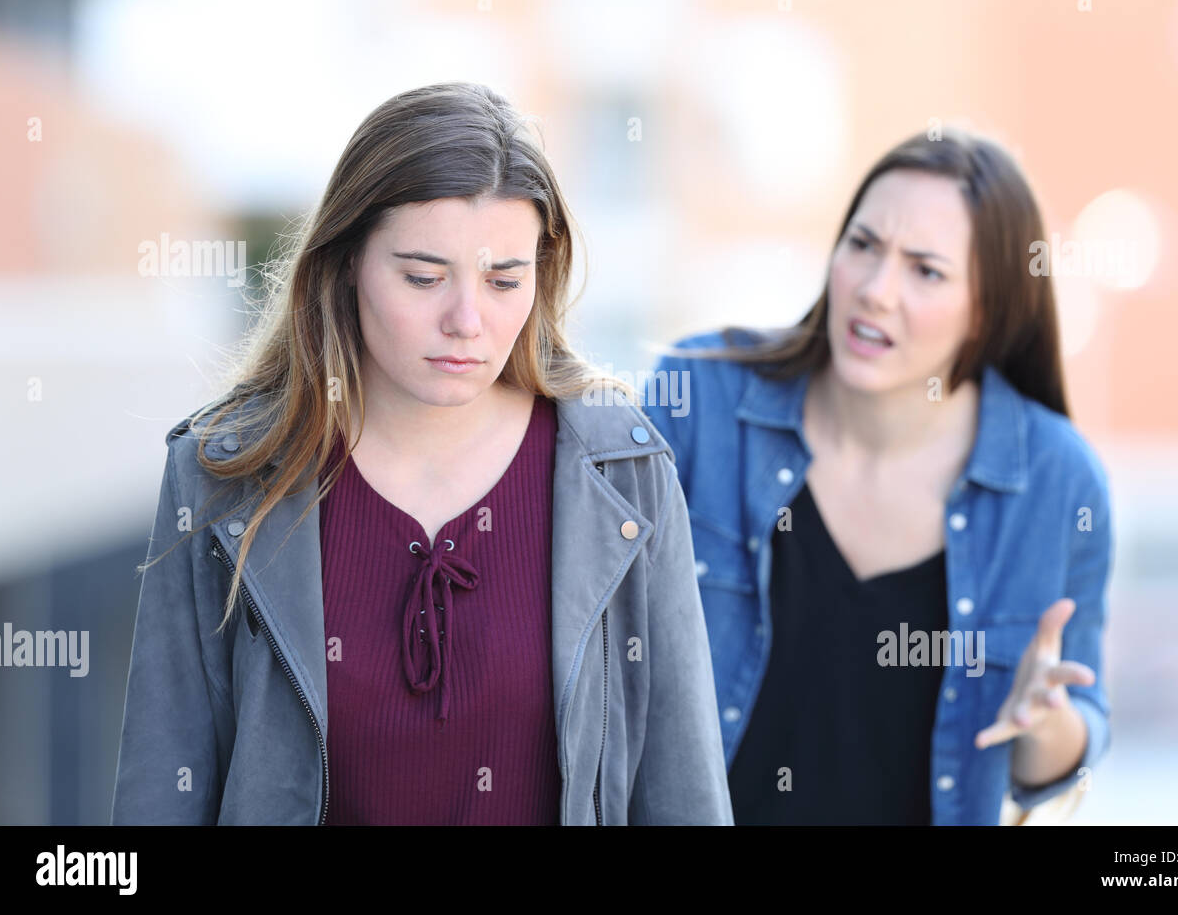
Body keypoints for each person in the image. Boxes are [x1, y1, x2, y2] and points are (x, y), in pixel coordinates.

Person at [111, 82, 733, 826]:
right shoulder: (222, 473)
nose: (467, 320)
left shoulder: (624, 470)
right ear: (345, 264)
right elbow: (161, 787)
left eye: (505, 279)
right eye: (423, 277)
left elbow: (684, 793)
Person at [642, 128, 1114, 825]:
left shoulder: (1057, 482)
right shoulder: (700, 400)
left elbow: (1058, 756)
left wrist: (1046, 723)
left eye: (925, 270)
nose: (874, 290)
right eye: (863, 246)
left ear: (988, 311)